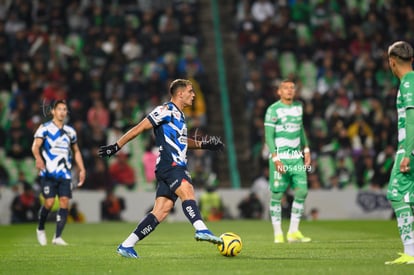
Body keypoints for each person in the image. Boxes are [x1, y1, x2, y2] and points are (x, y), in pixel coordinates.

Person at [98, 79, 224, 258]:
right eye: (190, 91)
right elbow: (139, 128)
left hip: (170, 166)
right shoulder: (165, 110)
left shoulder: (179, 116)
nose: (194, 95)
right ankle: (201, 228)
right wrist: (116, 147)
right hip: (170, 164)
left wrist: (206, 145)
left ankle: (127, 245)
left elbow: (182, 142)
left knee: (161, 210)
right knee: (187, 190)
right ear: (180, 93)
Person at [32, 100, 86, 246]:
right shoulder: (44, 129)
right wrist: (38, 158)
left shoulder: (70, 132)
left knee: (64, 203)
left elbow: (76, 151)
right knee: (49, 203)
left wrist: (82, 169)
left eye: (65, 109)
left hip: (65, 174)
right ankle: (41, 228)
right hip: (48, 172)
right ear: (53, 112)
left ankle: (57, 237)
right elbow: (35, 146)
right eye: (60, 109)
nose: (62, 112)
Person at [264, 79, 312, 243]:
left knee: (302, 191)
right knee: (277, 194)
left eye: (292, 88)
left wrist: (306, 149)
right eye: (286, 88)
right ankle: (278, 233)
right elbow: (269, 136)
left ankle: (293, 231)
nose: (290, 90)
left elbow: (300, 129)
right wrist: (275, 157)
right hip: (281, 157)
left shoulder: (299, 107)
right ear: (279, 91)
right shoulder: (273, 110)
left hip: (296, 157)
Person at [384, 41, 414, 265]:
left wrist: (407, 151)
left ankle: (411, 252)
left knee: (395, 193)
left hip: (410, 148)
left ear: (392, 62)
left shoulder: (407, 83)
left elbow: (412, 119)